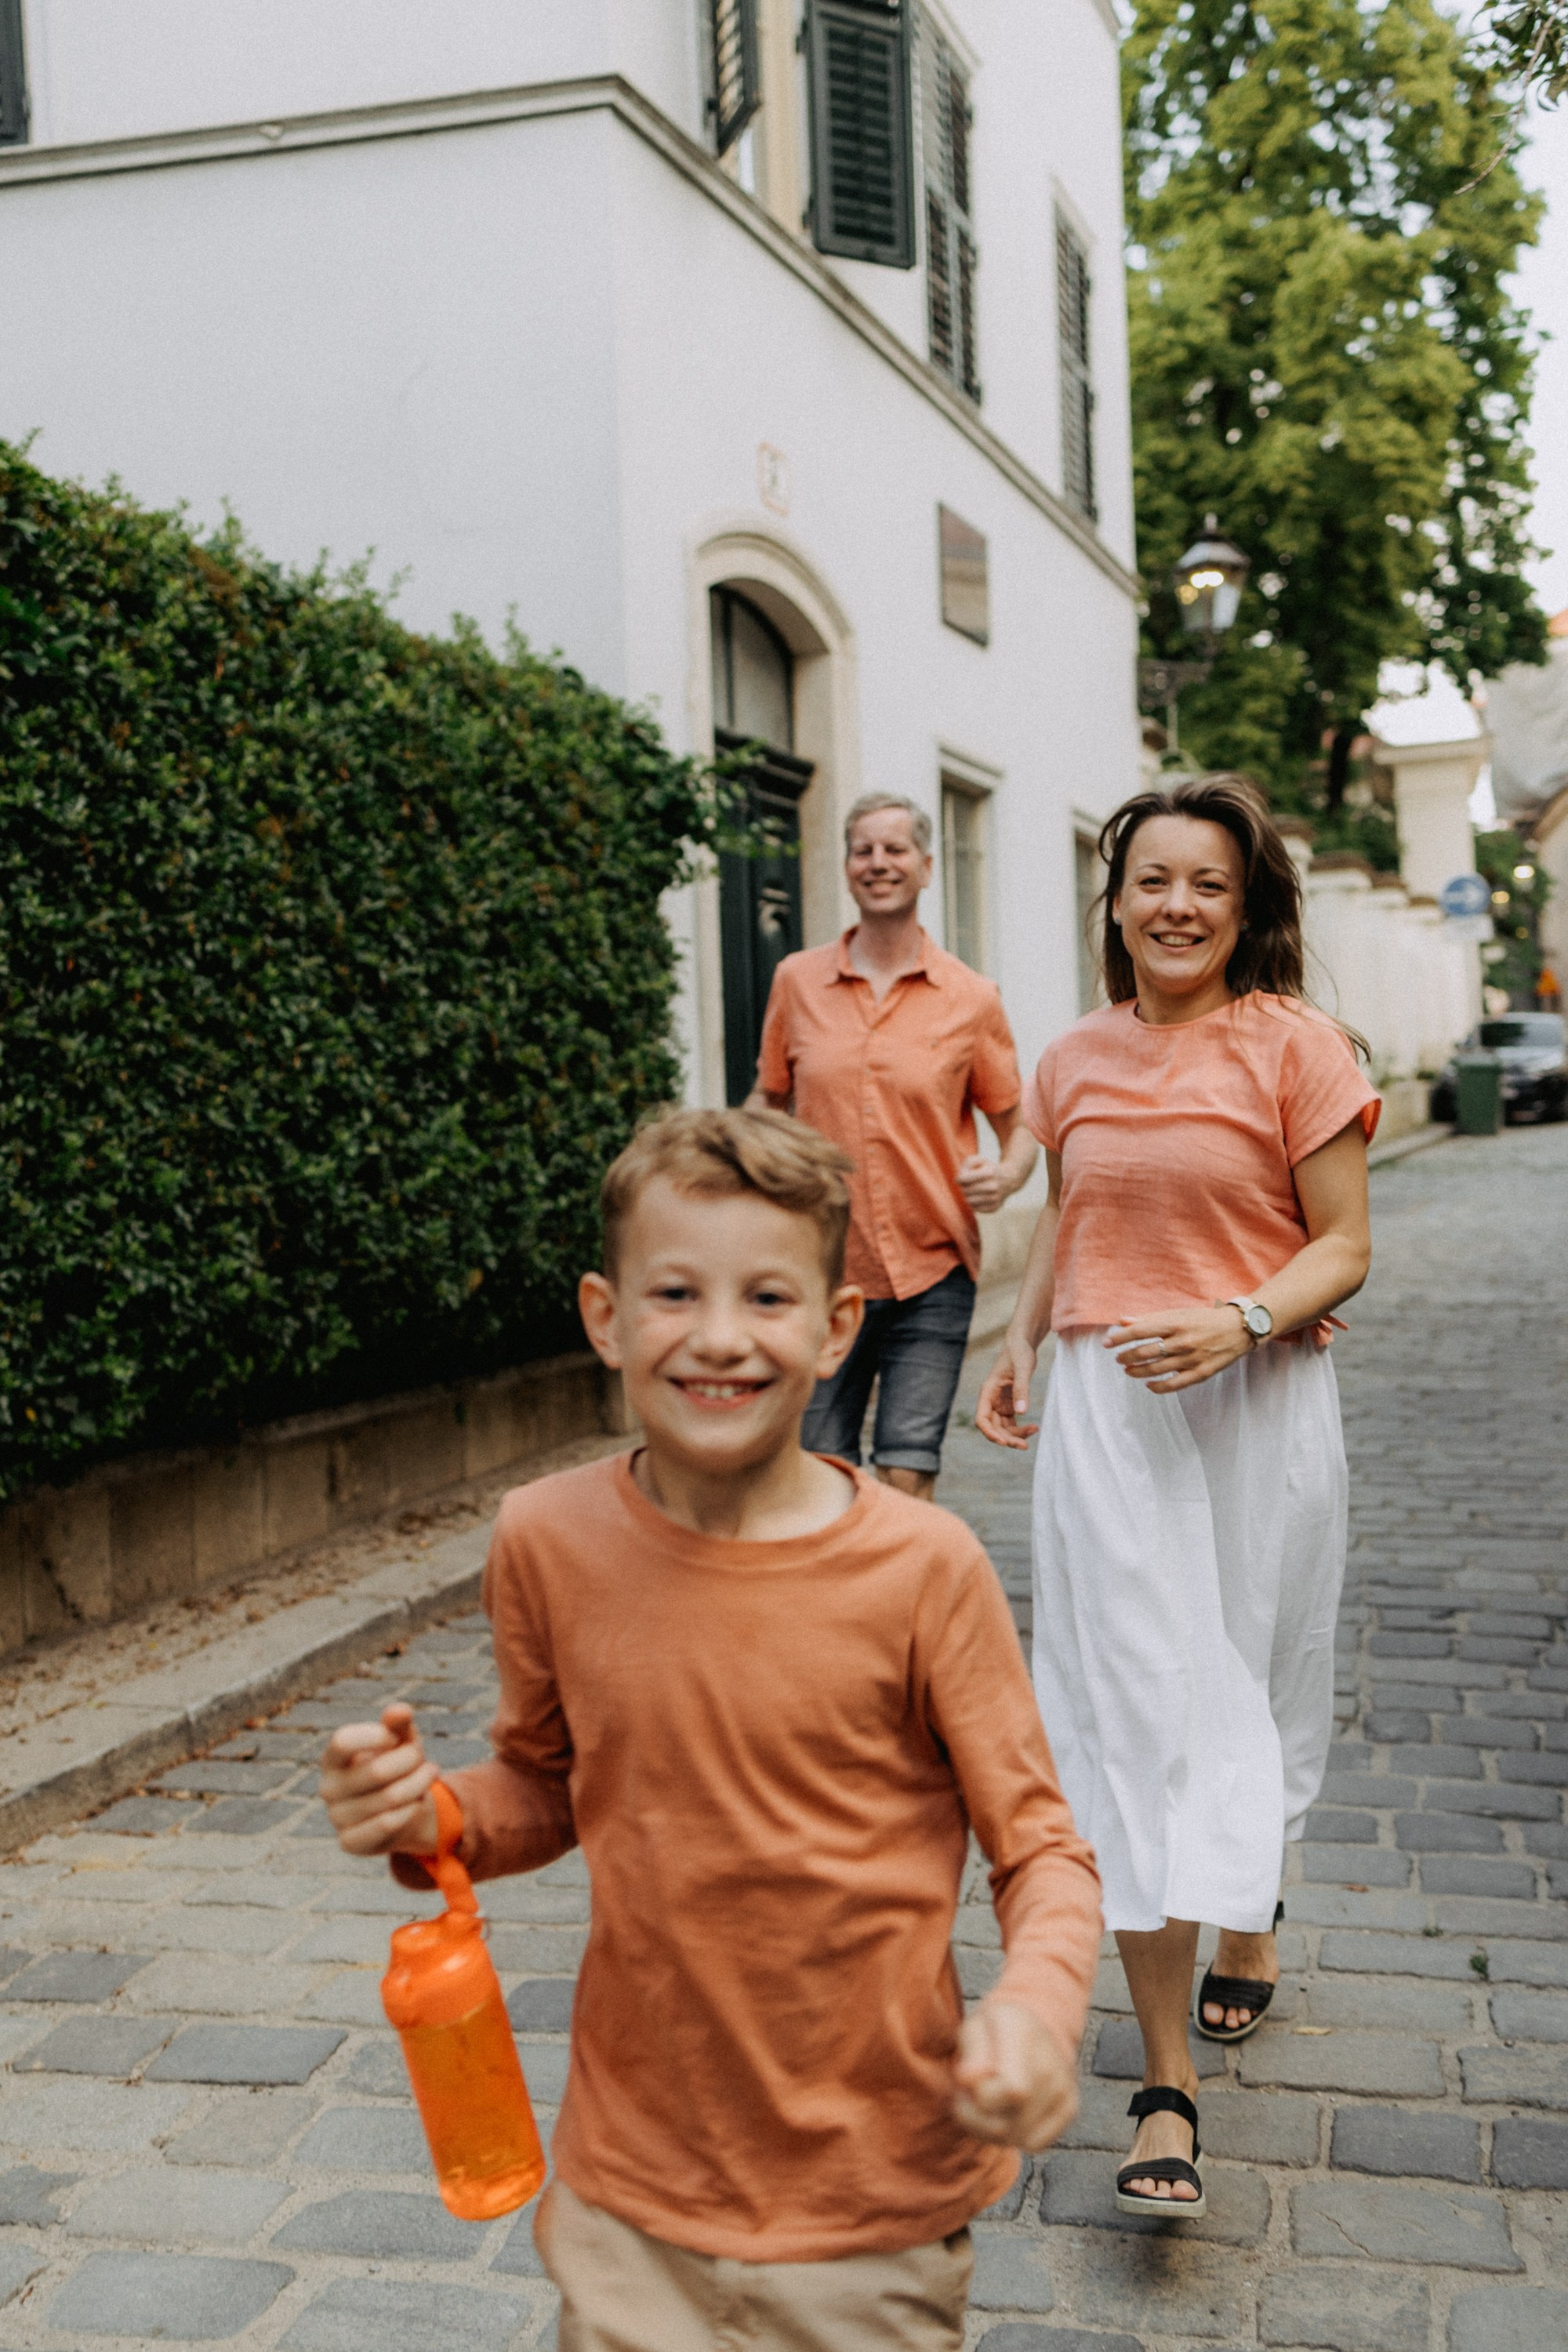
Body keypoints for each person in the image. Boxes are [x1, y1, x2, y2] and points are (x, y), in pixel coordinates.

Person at [321, 1106, 1102, 2352]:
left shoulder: (925, 1569)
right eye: (676, 1293)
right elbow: (546, 1781)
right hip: (631, 2195)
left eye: (770, 1299)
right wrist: (435, 1814)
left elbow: (1044, 1852)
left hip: (873, 2210)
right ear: (606, 1316)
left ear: (838, 1329)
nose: (722, 1340)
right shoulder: (545, 1539)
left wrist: (1036, 2009)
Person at [976, 774, 1377, 2220]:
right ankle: (1163, 2085)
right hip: (1108, 1416)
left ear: (1246, 903)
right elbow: (1074, 1214)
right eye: (1154, 881)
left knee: (1260, 1687)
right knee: (1131, 1712)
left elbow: (1343, 1245)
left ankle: (1250, 1915)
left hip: (1257, 1399)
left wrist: (1244, 1320)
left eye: (1208, 883)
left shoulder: (1299, 1047)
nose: (1179, 907)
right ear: (1118, 899)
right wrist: (1021, 1348)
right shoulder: (1074, 1056)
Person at [747, 793, 1035, 1501]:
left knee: (908, 1469)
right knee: (820, 1471)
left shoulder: (970, 997)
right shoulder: (797, 981)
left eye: (895, 849)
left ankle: (901, 1609)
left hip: (931, 1270)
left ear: (927, 867)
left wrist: (1005, 1176)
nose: (879, 864)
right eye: (863, 850)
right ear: (847, 868)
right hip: (819, 1270)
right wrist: (748, 1157)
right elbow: (767, 1097)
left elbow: (1021, 1123)